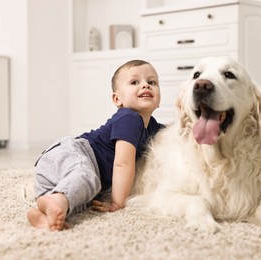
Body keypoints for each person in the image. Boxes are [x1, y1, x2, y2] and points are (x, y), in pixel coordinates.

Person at [27, 59, 163, 231]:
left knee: (85, 198)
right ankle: (56, 200)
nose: (145, 86)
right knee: (86, 178)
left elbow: (173, 134)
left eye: (152, 82)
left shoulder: (151, 126)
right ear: (117, 99)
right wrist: (117, 202)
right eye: (135, 82)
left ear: (159, 100)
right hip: (72, 153)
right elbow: (123, 163)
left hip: (59, 177)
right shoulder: (129, 118)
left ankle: (48, 211)